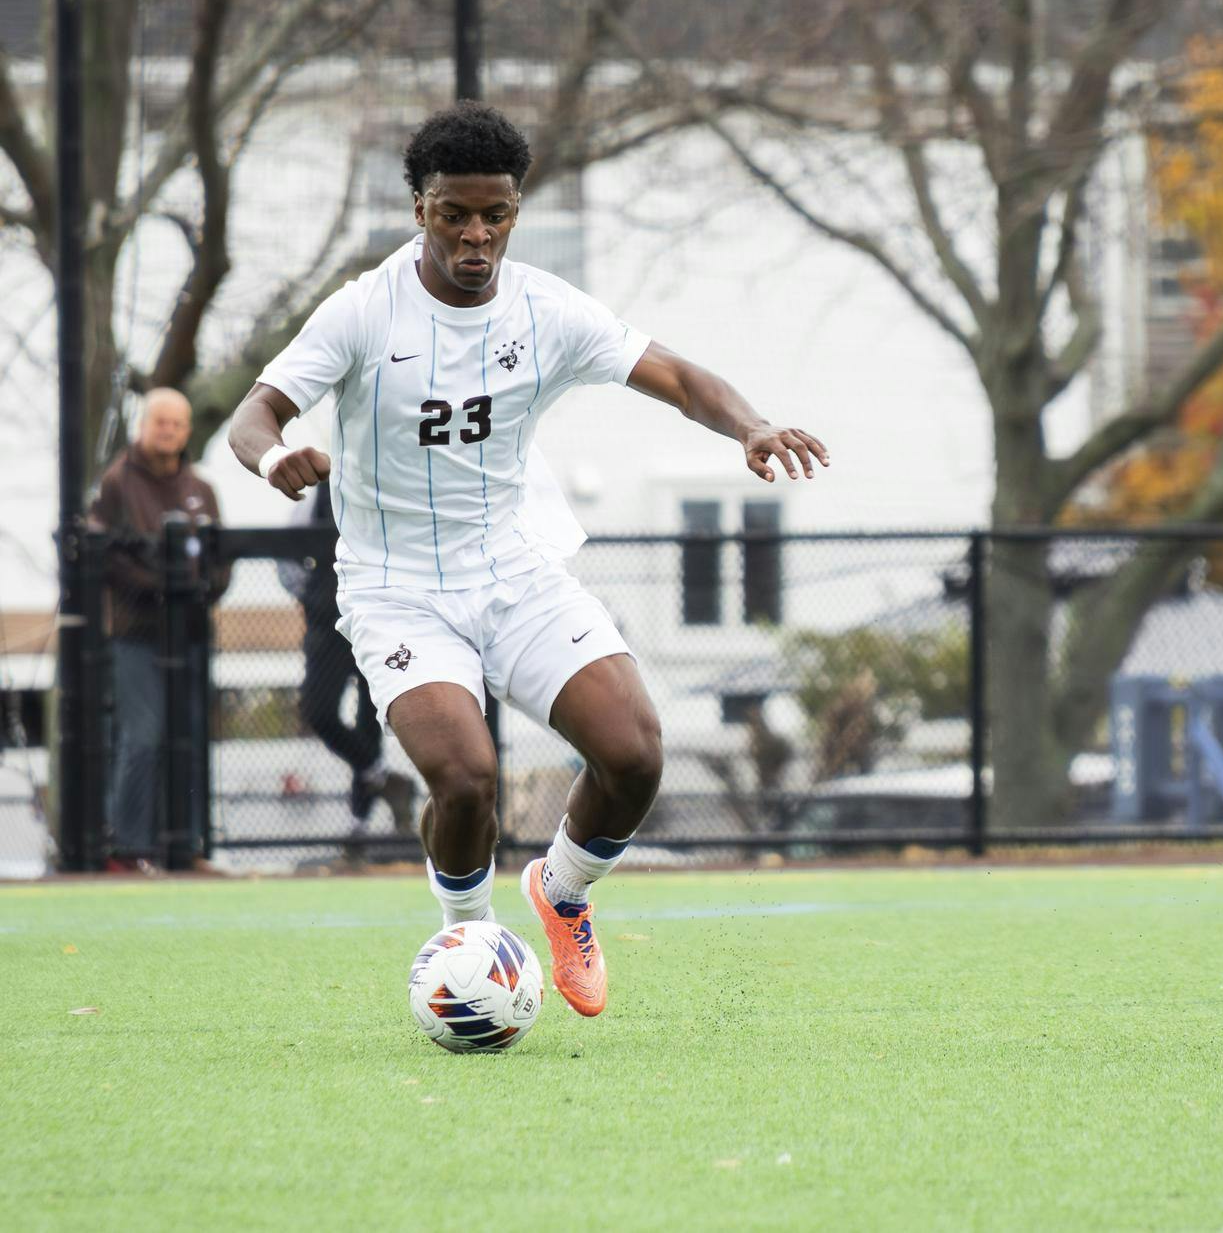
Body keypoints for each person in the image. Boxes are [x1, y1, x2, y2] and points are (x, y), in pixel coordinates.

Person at [226, 101, 828, 1017]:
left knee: (634, 754)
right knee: (466, 778)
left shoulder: (545, 308)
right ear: (419, 208)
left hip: (515, 570)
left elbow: (677, 377)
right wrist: (275, 457)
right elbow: (254, 412)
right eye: (454, 213)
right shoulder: (360, 311)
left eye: (495, 214)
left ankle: (562, 893)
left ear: (515, 211)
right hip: (397, 590)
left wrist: (750, 423)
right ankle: (467, 943)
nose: (476, 235)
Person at [88, 387, 231, 871]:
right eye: (159, 422)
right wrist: (160, 588)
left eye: (176, 423)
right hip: (136, 635)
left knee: (190, 738)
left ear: (187, 430)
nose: (167, 430)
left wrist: (198, 592)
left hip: (190, 635)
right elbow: (103, 555)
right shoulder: (116, 484)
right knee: (143, 738)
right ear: (143, 426)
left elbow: (220, 561)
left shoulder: (202, 488)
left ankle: (187, 848)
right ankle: (127, 850)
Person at [277, 480, 417, 845]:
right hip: (327, 623)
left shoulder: (394, 485)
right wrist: (312, 596)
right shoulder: (319, 491)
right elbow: (288, 552)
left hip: (379, 620)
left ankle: (360, 825)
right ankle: (384, 776)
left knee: (371, 719)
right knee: (317, 710)